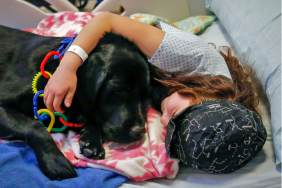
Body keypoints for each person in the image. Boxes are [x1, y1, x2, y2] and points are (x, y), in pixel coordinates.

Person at [43, 12, 267, 173]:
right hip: (117, 36)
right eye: (174, 116)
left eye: (168, 125)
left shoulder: (224, 112)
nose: (164, 120)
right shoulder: (187, 56)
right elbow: (105, 20)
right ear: (198, 99)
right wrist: (67, 67)